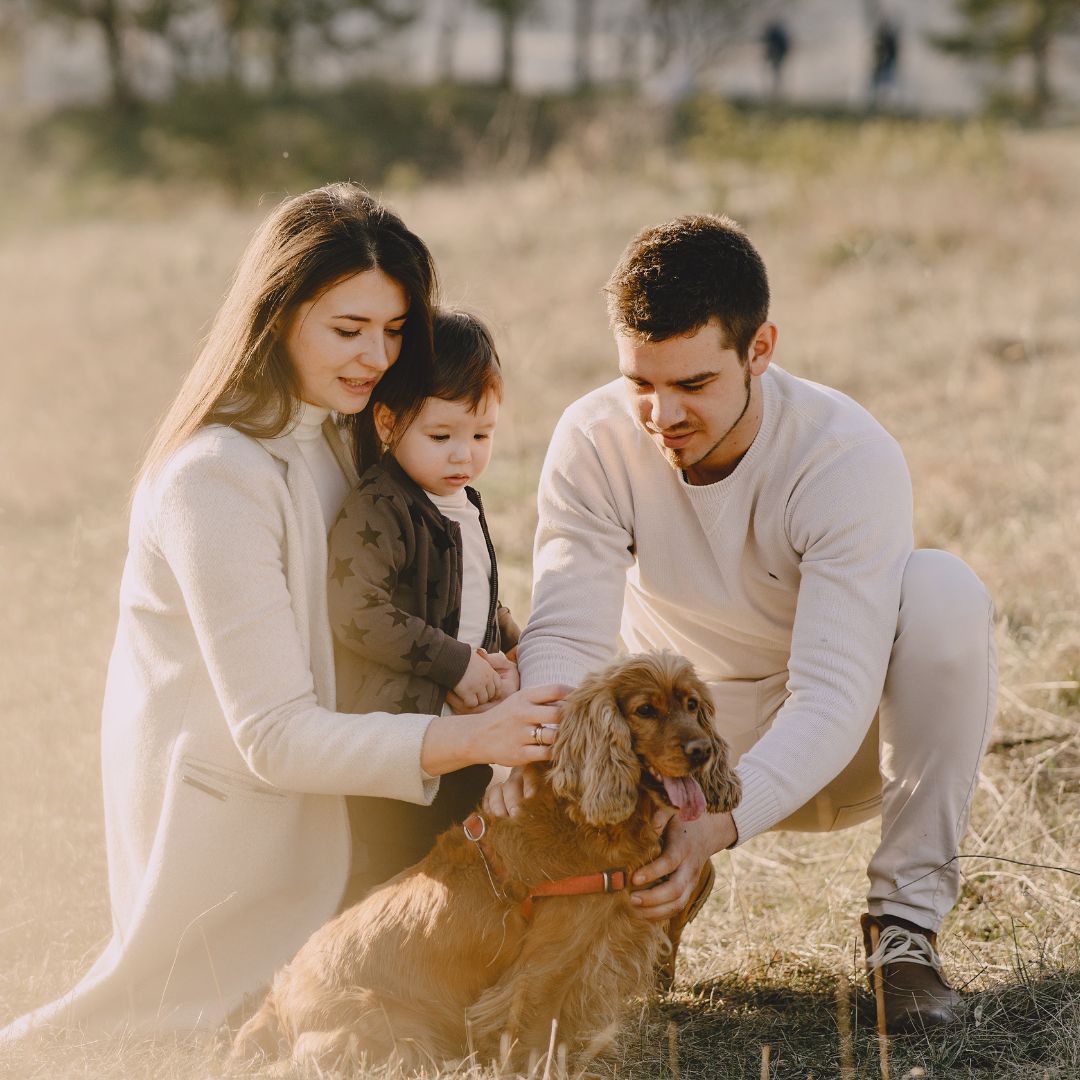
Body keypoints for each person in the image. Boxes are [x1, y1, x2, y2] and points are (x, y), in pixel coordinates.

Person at [0, 183, 564, 1042]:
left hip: (362, 798)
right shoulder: (214, 478)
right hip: (246, 842)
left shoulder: (348, 431)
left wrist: (479, 663)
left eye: (395, 330)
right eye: (349, 329)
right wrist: (475, 738)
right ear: (277, 315)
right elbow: (272, 735)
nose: (377, 356)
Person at [510, 213, 997, 1033]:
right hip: (674, 750)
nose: (662, 414)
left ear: (759, 349)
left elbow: (834, 692)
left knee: (946, 590)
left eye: (693, 384)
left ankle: (905, 932)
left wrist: (720, 826)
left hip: (842, 747)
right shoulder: (593, 439)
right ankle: (638, 890)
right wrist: (558, 776)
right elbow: (565, 634)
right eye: (640, 383)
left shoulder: (843, 453)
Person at [329, 309, 523, 903]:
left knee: (462, 860)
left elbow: (475, 595)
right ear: (388, 422)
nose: (463, 455)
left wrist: (517, 647)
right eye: (441, 437)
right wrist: (454, 663)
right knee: (398, 874)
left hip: (463, 736)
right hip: (400, 745)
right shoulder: (382, 507)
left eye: (481, 436)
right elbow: (358, 610)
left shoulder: (461, 500)